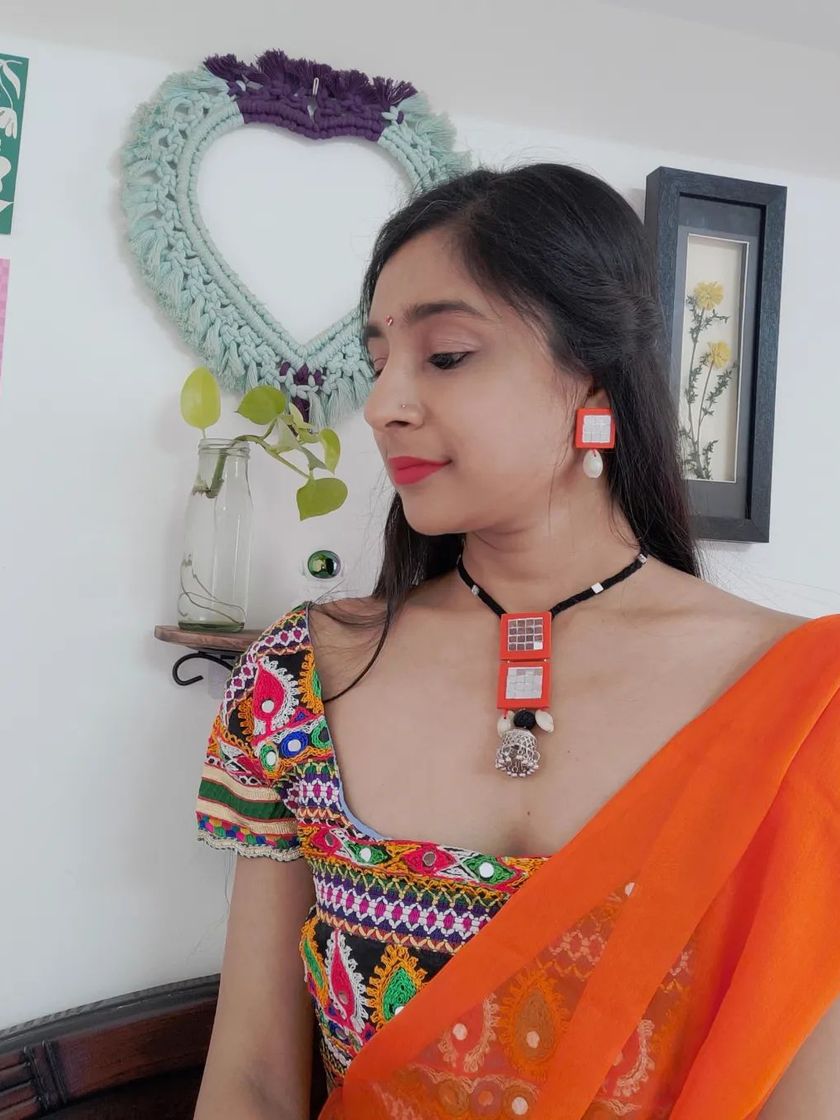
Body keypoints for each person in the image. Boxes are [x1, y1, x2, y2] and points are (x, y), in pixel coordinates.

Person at [191, 163, 840, 1120]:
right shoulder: (299, 678)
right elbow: (250, 1074)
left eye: (446, 355)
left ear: (592, 374)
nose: (382, 404)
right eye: (379, 361)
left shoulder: (806, 704)